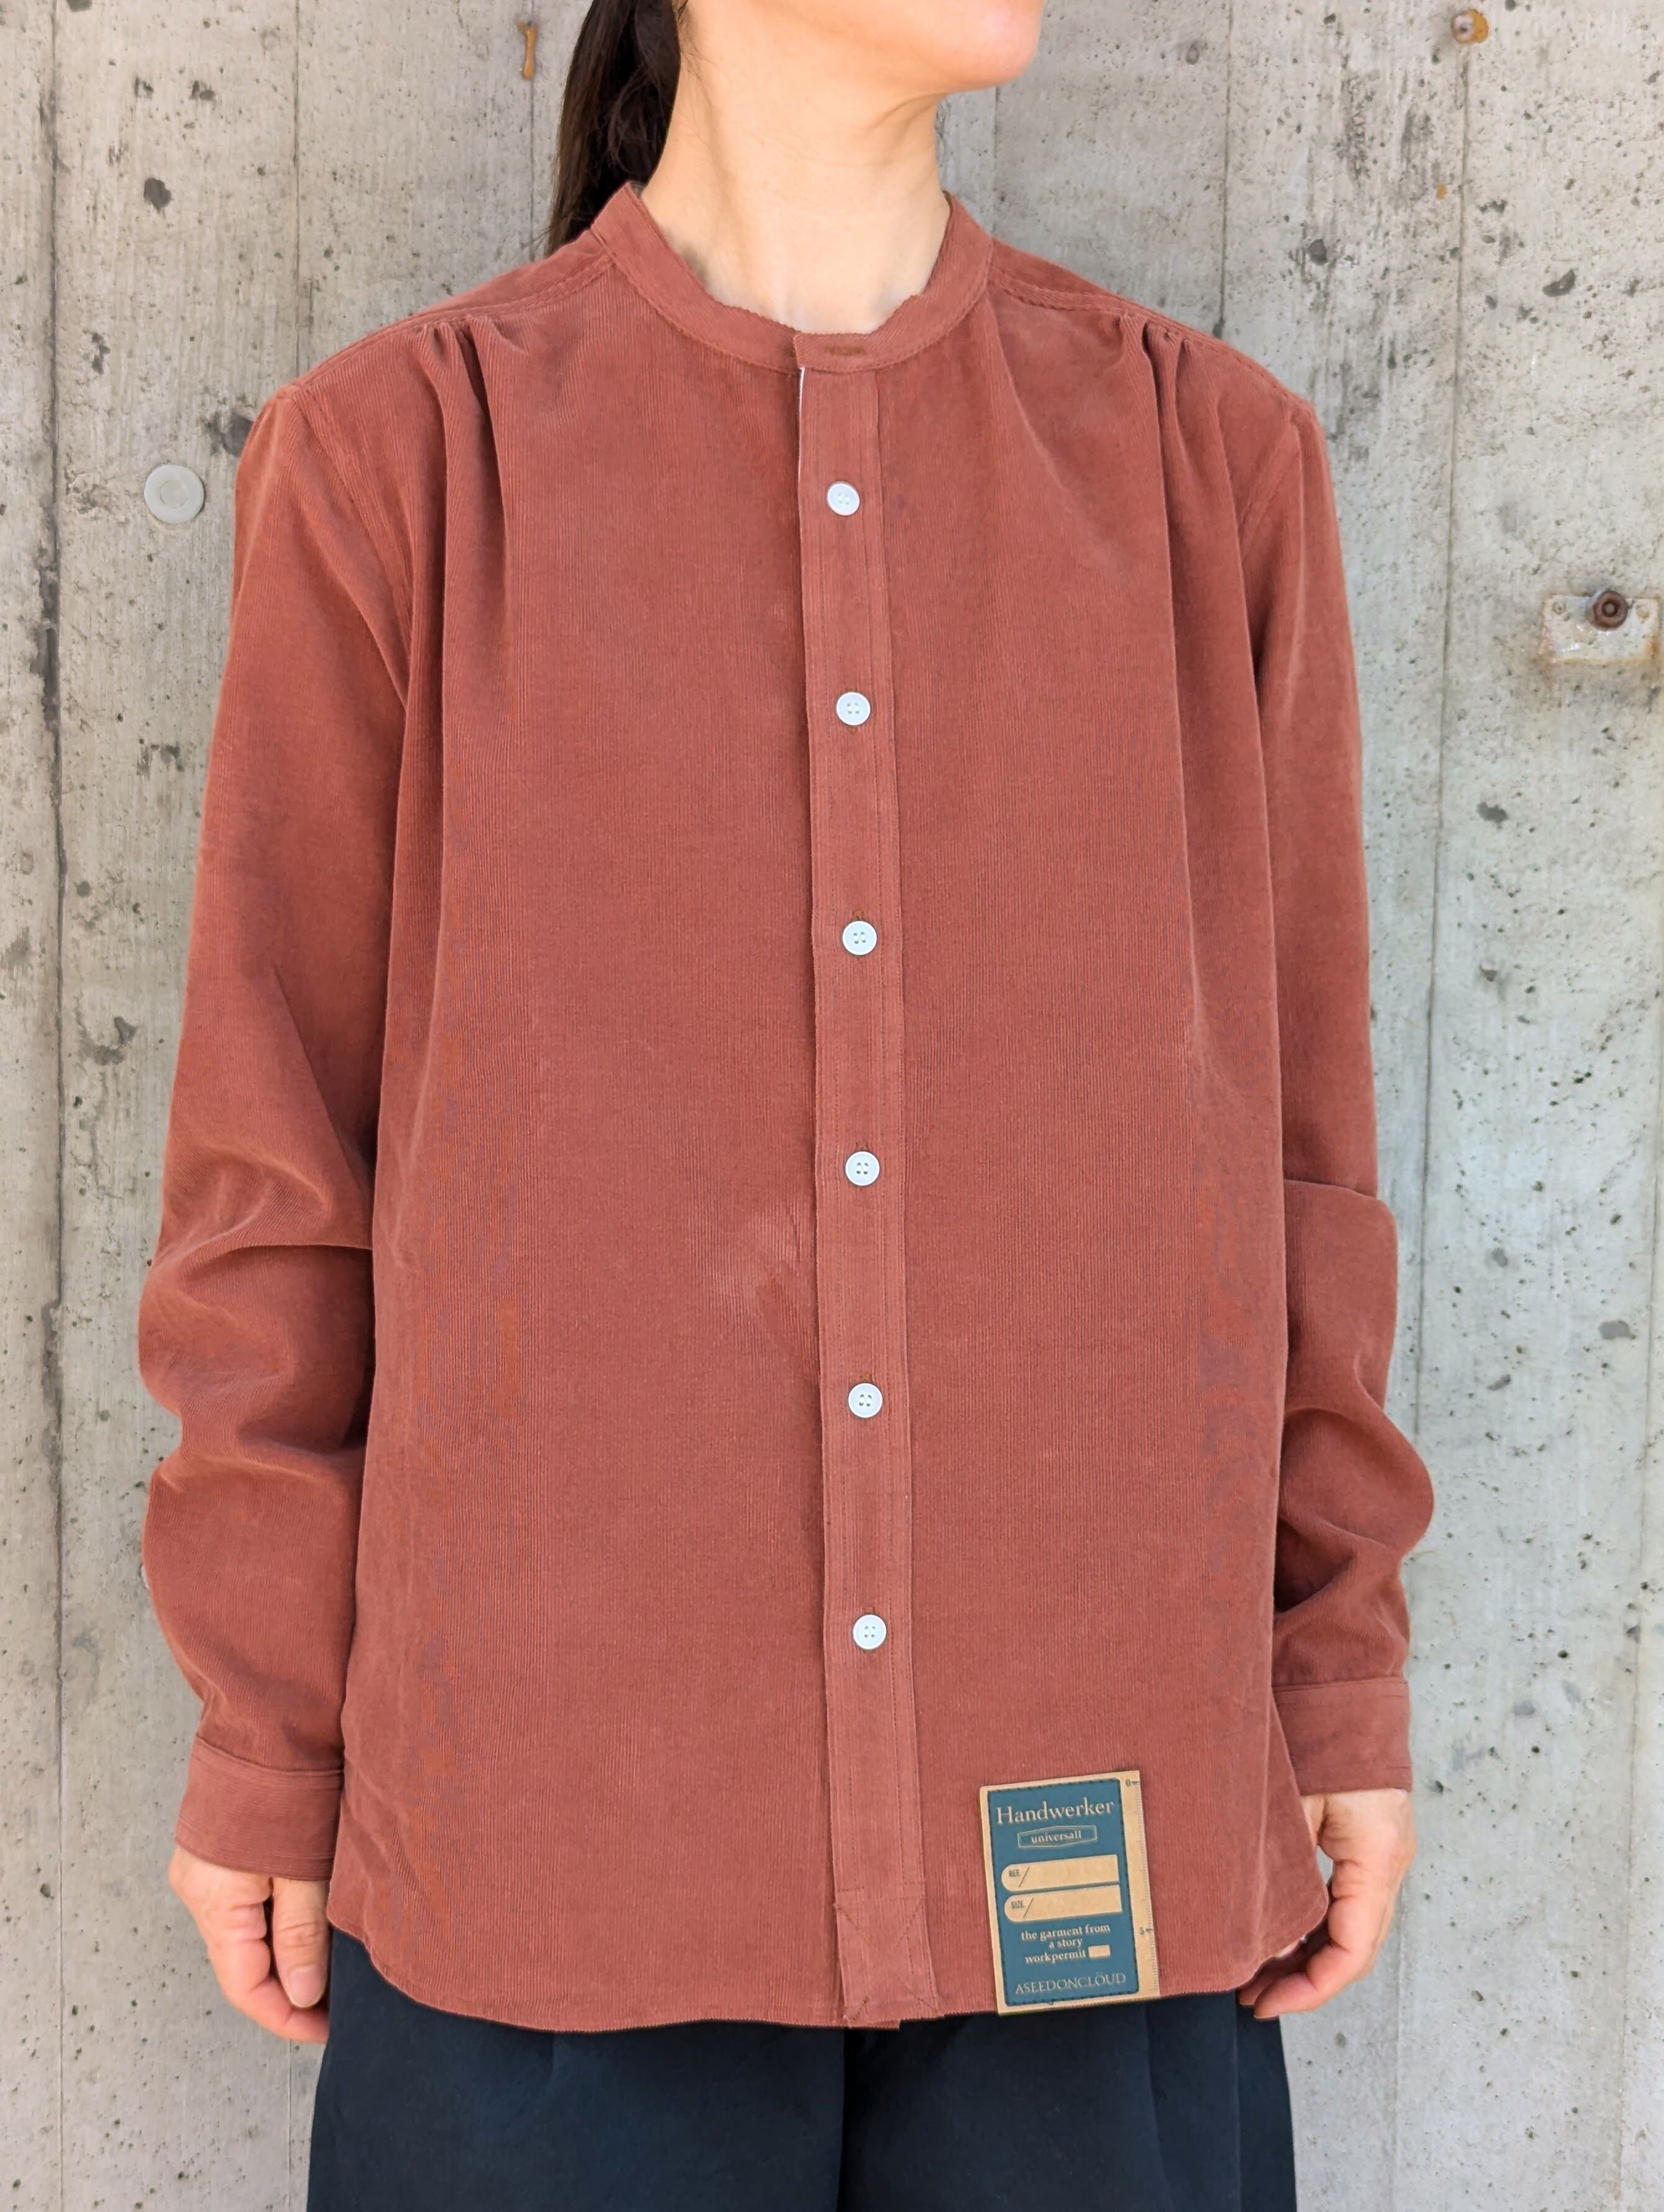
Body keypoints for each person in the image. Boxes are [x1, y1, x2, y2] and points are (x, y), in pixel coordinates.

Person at [137, 0, 1436, 2204]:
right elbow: (281, 1174)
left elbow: (1298, 1160)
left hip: (1093, 1772)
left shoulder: (1203, 458)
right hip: (553, 1836)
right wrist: (268, 1723)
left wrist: (1336, 1668)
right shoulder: (401, 457)